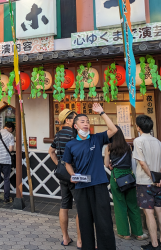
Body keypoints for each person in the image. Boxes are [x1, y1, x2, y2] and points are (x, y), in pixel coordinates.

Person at [62, 103, 117, 250]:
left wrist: (102, 113)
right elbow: (67, 163)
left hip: (99, 184)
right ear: (75, 126)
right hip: (81, 186)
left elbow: (113, 129)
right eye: (82, 121)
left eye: (87, 121)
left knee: (104, 221)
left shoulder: (96, 139)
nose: (86, 124)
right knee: (85, 221)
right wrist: (72, 175)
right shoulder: (71, 145)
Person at [133, 115, 161, 250]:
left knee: (149, 212)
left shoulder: (138, 141)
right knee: (159, 210)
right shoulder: (158, 142)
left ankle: (154, 244)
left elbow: (142, 163)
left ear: (138, 127)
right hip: (158, 183)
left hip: (145, 182)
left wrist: (153, 177)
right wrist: (160, 178)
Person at [104, 126, 147, 241]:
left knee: (120, 205)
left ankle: (125, 233)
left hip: (116, 177)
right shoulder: (128, 146)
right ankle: (138, 233)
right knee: (133, 205)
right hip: (129, 176)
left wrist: (110, 161)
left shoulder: (109, 147)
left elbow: (106, 163)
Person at [48, 109, 81, 248]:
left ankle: (66, 238)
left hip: (62, 175)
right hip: (75, 175)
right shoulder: (75, 133)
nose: (77, 121)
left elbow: (51, 151)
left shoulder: (58, 134)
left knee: (64, 205)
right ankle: (80, 240)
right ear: (68, 120)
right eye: (75, 118)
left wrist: (60, 165)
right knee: (81, 207)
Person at [0, 122, 15, 203]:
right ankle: (6, 198)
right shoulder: (10, 135)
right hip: (6, 160)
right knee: (6, 179)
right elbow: (11, 149)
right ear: (10, 128)